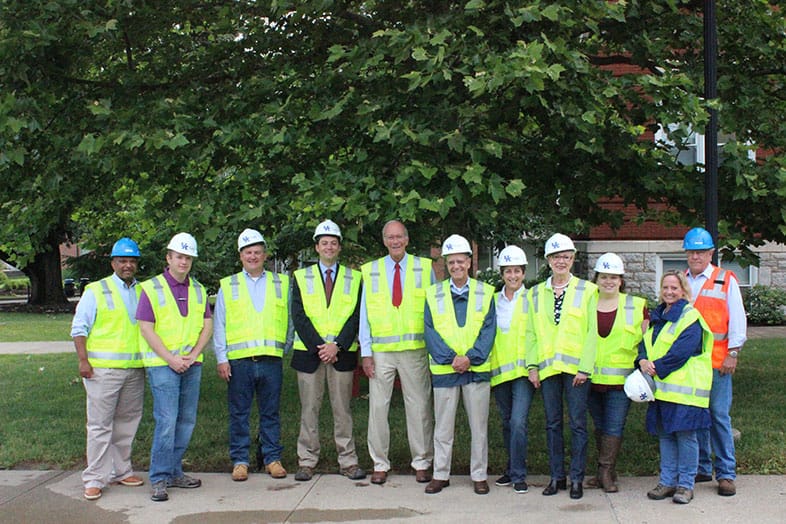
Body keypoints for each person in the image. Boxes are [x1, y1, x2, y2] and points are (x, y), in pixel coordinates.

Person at [137, 232, 213, 502]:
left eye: (188, 258)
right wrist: (171, 358)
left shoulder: (199, 289)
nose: (184, 262)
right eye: (179, 257)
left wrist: (193, 355)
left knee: (186, 421)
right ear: (168, 258)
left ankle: (174, 471)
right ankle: (159, 477)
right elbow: (146, 328)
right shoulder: (152, 288)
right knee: (167, 421)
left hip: (191, 363)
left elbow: (207, 325)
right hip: (163, 365)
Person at [360, 220, 436, 485]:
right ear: (384, 241)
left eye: (399, 236)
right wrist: (366, 352)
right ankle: (380, 463)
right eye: (390, 237)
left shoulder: (424, 267)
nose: (395, 241)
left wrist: (433, 350)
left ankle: (422, 462)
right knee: (377, 409)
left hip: (415, 350)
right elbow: (364, 314)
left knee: (419, 407)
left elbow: (433, 311)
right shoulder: (370, 270)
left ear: (407, 239)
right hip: (381, 352)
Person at [71, 237, 146, 501]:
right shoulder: (96, 290)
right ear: (113, 263)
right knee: (100, 426)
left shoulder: (143, 291)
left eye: (132, 261)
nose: (127, 266)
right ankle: (94, 478)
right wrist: (83, 360)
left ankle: (121, 471)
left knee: (127, 424)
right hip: (102, 370)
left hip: (134, 369)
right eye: (122, 261)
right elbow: (79, 328)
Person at [290, 220, 365, 481]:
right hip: (309, 354)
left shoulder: (355, 277)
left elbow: (357, 316)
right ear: (317, 247)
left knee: (342, 410)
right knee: (309, 410)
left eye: (333, 243)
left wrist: (337, 346)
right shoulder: (301, 277)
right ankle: (307, 461)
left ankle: (348, 461)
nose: (329, 247)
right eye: (324, 243)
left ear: (339, 247)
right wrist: (320, 347)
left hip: (341, 354)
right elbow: (298, 315)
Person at [213, 229, 289, 483]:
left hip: (271, 359)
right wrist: (222, 358)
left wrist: (284, 349)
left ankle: (272, 458)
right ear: (241, 256)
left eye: (257, 252)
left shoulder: (281, 283)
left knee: (271, 413)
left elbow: (290, 319)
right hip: (239, 361)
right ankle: (240, 461)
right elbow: (220, 323)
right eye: (248, 252)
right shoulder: (229, 285)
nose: (253, 256)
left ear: (265, 255)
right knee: (239, 414)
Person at [525, 233, 598, 500]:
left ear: (573, 259)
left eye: (566, 256)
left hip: (577, 371)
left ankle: (577, 478)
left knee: (578, 424)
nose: (561, 261)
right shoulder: (535, 293)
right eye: (556, 257)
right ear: (548, 260)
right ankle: (557, 477)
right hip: (548, 370)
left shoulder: (588, 290)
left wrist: (585, 368)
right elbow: (531, 333)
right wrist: (532, 366)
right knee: (552, 424)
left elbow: (592, 333)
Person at [424, 234, 496, 495]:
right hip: (446, 370)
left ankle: (479, 475)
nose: (456, 266)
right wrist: (451, 359)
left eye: (460, 261)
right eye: (451, 262)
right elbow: (430, 330)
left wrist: (470, 358)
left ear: (469, 262)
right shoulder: (433, 293)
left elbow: (489, 329)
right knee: (443, 427)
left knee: (479, 427)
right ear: (446, 264)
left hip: (476, 370)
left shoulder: (485, 292)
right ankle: (440, 474)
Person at [638, 270, 713, 505]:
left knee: (686, 437)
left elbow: (681, 352)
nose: (669, 292)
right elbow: (646, 343)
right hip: (663, 389)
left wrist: (655, 367)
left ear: (683, 290)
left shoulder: (690, 317)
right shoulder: (659, 315)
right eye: (665, 287)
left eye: (674, 288)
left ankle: (686, 485)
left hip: (685, 390)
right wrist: (642, 360)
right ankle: (667, 481)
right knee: (666, 436)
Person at [683, 227, 746, 497]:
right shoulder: (681, 281)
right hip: (689, 364)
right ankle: (701, 467)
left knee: (719, 416)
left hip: (718, 362)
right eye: (691, 252)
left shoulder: (725, 279)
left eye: (701, 252)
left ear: (710, 253)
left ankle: (726, 473)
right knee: (696, 415)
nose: (696, 256)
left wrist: (733, 353)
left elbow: (738, 319)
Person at [586, 253, 648, 493]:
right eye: (604, 277)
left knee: (614, 427)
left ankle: (604, 472)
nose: (608, 281)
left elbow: (646, 342)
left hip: (622, 381)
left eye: (613, 277)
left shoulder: (636, 305)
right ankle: (607, 472)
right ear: (596, 279)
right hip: (590, 378)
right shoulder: (586, 302)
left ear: (621, 280)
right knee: (600, 426)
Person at [489, 245, 534, 494]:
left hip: (524, 372)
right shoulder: (493, 300)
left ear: (523, 273)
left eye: (517, 271)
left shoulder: (532, 299)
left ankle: (519, 474)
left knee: (518, 422)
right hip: (500, 370)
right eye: (508, 271)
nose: (513, 276)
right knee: (507, 423)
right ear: (502, 274)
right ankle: (510, 468)